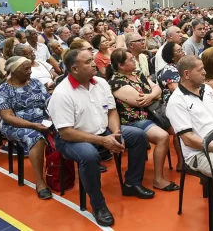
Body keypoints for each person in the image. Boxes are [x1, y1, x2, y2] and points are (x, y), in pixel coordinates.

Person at [49, 49, 152, 227]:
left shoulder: (101, 83)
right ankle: (98, 205)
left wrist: (116, 134)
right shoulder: (62, 93)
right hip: (73, 139)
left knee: (138, 136)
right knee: (89, 156)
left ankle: (132, 184)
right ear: (74, 69)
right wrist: (104, 141)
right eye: (88, 62)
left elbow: (111, 111)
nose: (94, 63)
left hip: (103, 131)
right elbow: (66, 132)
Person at [106, 48, 180, 190]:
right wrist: (153, 95)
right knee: (163, 136)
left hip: (151, 114)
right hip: (133, 120)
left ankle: (182, 164)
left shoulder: (138, 74)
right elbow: (138, 101)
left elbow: (157, 88)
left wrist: (151, 96)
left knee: (179, 129)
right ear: (121, 65)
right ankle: (158, 179)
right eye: (131, 60)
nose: (135, 61)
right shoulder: (115, 82)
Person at [0, 56, 52, 199]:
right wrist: (33, 125)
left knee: (66, 128)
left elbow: (49, 102)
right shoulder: (3, 90)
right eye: (25, 68)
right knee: (35, 137)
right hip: (14, 124)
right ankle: (40, 182)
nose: (30, 71)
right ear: (13, 71)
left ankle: (86, 161)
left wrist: (52, 115)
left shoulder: (36, 83)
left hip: (43, 121)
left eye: (29, 67)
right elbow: (8, 117)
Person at [166, 55, 213, 178]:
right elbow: (189, 140)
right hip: (200, 153)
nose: (205, 73)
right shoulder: (177, 101)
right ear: (187, 74)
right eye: (200, 70)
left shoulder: (208, 89)